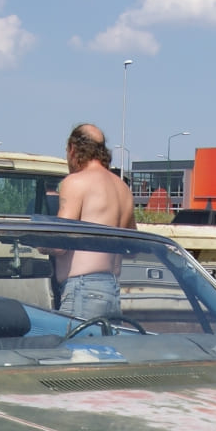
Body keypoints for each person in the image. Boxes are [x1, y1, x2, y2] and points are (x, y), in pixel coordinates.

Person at [54, 123, 135, 319]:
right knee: (103, 350)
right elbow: (132, 248)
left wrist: (38, 242)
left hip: (83, 289)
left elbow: (58, 244)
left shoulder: (76, 182)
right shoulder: (123, 189)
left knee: (75, 350)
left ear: (73, 149)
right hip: (112, 290)